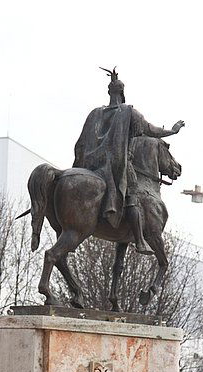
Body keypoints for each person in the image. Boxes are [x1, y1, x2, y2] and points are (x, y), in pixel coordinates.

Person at [73, 67, 184, 255]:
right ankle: (140, 241)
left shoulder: (95, 113)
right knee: (132, 196)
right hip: (118, 166)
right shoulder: (128, 112)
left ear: (109, 92)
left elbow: (81, 143)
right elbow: (151, 130)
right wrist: (172, 131)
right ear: (122, 93)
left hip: (93, 166)